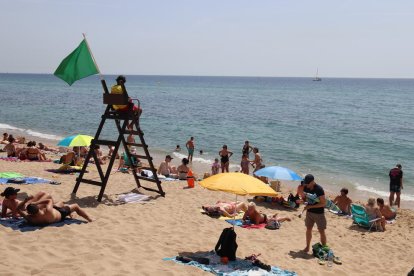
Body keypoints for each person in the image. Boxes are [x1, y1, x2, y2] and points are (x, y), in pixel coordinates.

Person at [17, 195, 93, 225]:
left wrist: (24, 201)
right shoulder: (47, 211)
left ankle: (69, 213)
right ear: (37, 208)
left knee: (60, 203)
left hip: (54, 213)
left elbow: (17, 209)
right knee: (75, 206)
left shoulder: (31, 219)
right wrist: (36, 202)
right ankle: (89, 219)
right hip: (60, 213)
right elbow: (49, 200)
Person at [300, 174, 327, 253]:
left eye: (308, 183)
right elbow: (306, 200)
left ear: (312, 182)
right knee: (308, 229)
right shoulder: (305, 187)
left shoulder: (319, 189)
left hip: (319, 213)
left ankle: (324, 248)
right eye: (306, 183)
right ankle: (307, 247)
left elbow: (323, 203)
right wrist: (302, 201)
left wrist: (310, 207)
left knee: (321, 231)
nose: (306, 185)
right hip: (309, 213)